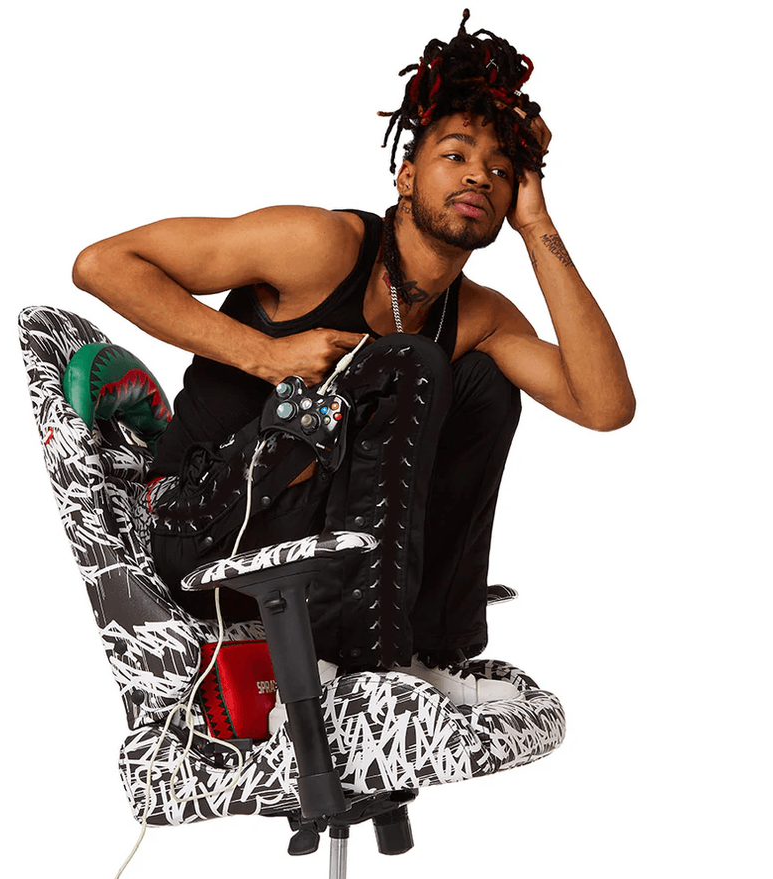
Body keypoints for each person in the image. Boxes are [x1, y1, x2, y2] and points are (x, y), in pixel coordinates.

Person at [71, 12, 634, 699]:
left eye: (499, 169)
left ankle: (430, 652)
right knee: (408, 364)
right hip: (198, 527)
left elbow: (606, 406)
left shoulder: (478, 315)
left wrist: (537, 222)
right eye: (456, 155)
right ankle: (362, 674)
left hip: (320, 552)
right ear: (406, 176)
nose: (480, 178)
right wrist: (264, 354)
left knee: (481, 380)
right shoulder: (320, 246)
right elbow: (103, 264)